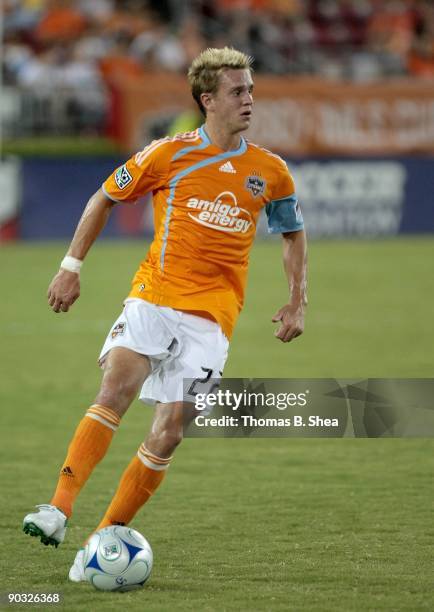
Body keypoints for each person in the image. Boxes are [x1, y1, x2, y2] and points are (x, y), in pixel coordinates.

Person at [22, 47, 307, 581]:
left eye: (250, 89)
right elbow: (103, 197)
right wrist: (70, 266)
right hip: (153, 296)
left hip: (213, 318)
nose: (249, 99)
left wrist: (298, 298)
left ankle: (100, 541)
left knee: (170, 432)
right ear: (208, 100)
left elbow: (292, 232)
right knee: (115, 390)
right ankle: (57, 509)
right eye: (238, 91)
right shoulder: (167, 154)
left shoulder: (271, 171)